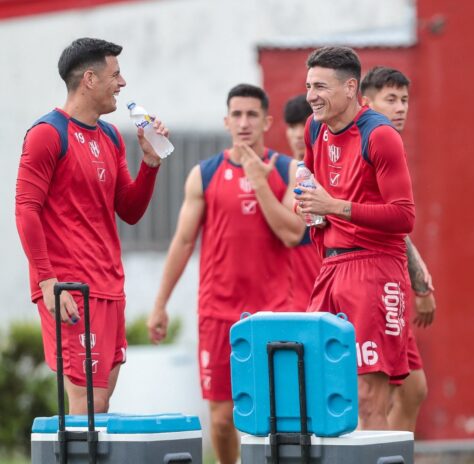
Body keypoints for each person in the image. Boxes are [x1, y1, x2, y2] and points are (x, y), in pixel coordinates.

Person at [147, 84, 304, 464]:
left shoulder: (290, 170)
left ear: (267, 122)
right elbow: (183, 242)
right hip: (219, 314)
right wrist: (160, 303)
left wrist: (259, 181)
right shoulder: (204, 174)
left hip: (274, 313)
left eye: (252, 115)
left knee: (278, 416)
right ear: (226, 121)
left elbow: (292, 233)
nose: (244, 122)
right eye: (237, 114)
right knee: (220, 419)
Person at [15, 37, 169, 415]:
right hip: (70, 289)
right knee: (88, 403)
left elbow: (129, 210)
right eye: (115, 75)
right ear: (89, 79)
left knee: (101, 406)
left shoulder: (111, 137)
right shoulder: (47, 134)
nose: (123, 83)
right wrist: (48, 283)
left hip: (110, 285)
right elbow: (26, 210)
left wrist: (150, 164)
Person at [296, 46, 416, 429]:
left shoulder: (379, 135)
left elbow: (404, 216)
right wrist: (309, 209)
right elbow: (312, 189)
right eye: (309, 86)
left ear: (351, 88)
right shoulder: (314, 128)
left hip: (375, 268)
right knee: (320, 391)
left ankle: (385, 451)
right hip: (330, 266)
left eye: (320, 87)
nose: (311, 96)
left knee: (369, 398)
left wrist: (334, 206)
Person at [361, 66, 437, 432]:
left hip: (391, 281)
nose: (401, 107)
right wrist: (420, 284)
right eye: (391, 99)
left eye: (404, 100)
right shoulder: (368, 142)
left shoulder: (389, 144)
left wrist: (418, 281)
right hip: (369, 283)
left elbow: (397, 227)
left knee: (413, 390)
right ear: (366, 103)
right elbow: (389, 222)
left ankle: (392, 453)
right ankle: (367, 454)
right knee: (375, 396)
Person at [283, 95, 323, 309]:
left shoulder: (330, 175)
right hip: (287, 301)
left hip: (325, 293)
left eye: (303, 124)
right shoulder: (276, 174)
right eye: (292, 126)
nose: (299, 133)